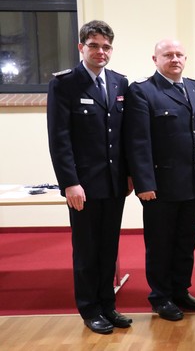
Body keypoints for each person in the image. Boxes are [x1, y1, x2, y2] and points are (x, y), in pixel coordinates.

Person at [47, 20, 132, 334]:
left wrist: (129, 176)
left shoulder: (120, 83)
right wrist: (69, 182)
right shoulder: (65, 84)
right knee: (86, 250)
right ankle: (89, 308)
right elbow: (59, 138)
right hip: (82, 185)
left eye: (106, 46)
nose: (101, 51)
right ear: (80, 47)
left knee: (109, 248)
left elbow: (125, 136)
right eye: (94, 45)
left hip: (114, 183)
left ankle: (108, 305)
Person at [123, 39, 195, 321]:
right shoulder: (143, 91)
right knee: (161, 244)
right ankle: (160, 297)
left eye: (179, 54)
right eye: (168, 55)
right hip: (161, 185)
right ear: (155, 59)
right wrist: (144, 183)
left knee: (186, 242)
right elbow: (138, 141)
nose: (174, 59)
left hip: (192, 182)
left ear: (186, 58)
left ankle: (180, 290)